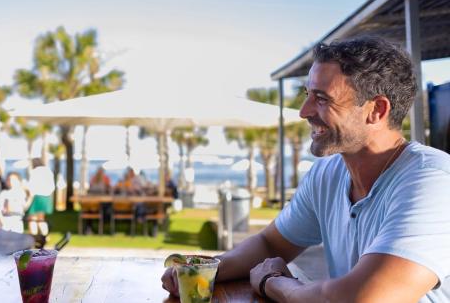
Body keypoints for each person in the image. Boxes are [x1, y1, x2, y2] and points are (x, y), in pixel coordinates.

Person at [162, 36, 450, 302]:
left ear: (376, 110)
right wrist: (202, 271)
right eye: (307, 94)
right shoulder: (328, 173)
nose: (304, 111)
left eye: (322, 99)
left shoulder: (433, 182)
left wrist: (274, 283)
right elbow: (270, 244)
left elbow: (362, 298)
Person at [26, 158, 55, 247]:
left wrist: (28, 199)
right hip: (46, 197)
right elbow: (52, 186)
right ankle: (45, 237)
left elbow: (31, 187)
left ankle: (34, 238)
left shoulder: (34, 172)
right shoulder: (48, 171)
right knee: (41, 218)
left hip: (36, 197)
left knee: (32, 219)